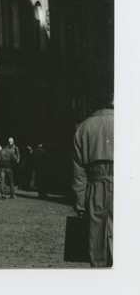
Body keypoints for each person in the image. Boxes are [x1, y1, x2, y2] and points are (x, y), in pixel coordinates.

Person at [72, 97, 114, 267]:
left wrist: (80, 204)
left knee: (96, 240)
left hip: (94, 188)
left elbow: (78, 173)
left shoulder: (83, 127)